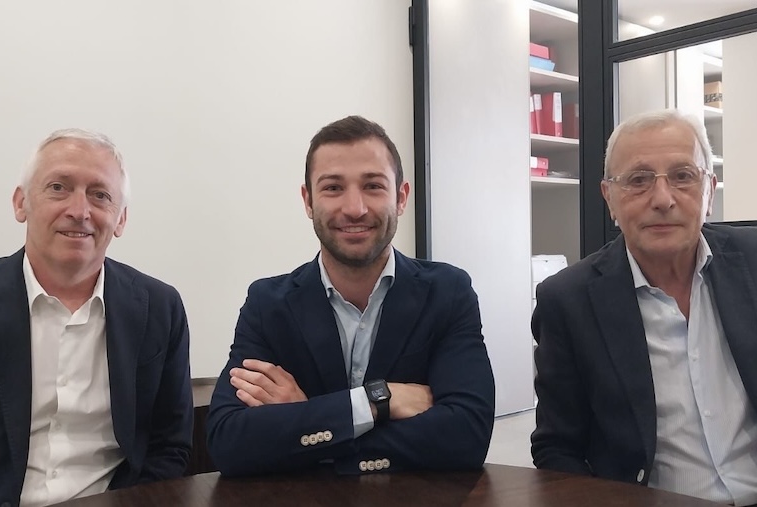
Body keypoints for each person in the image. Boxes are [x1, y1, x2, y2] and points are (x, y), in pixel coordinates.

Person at [207, 115, 495, 476]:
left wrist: (309, 422)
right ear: (308, 201)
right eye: (333, 188)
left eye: (373, 186)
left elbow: (466, 437)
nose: (355, 208)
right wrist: (376, 401)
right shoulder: (267, 304)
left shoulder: (448, 293)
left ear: (401, 197)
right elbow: (229, 443)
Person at [531, 109, 757, 505]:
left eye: (683, 176)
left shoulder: (752, 263)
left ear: (710, 190)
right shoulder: (567, 301)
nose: (663, 199)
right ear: (609, 198)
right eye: (638, 180)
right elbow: (557, 449)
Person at [0, 129, 193, 507]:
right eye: (58, 188)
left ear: (120, 219)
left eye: (100, 195)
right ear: (21, 203)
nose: (80, 211)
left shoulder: (159, 309)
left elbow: (169, 445)